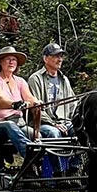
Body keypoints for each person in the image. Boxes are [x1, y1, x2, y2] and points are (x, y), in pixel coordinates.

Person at [28, 43, 81, 180]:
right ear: (46, 59)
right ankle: (59, 173)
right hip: (43, 122)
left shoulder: (64, 79)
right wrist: (53, 123)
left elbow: (72, 103)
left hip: (64, 121)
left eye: (61, 56)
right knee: (53, 133)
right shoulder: (36, 79)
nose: (60, 59)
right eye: (56, 56)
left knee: (81, 130)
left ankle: (74, 169)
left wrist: (75, 119)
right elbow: (36, 107)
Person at [0, 46, 41, 159]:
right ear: (0, 62)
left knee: (37, 135)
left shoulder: (20, 81)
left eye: (14, 59)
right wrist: (15, 104)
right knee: (9, 126)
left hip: (18, 123)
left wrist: (36, 103)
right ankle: (30, 158)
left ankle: (34, 169)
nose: (11, 62)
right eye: (7, 59)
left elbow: (29, 98)